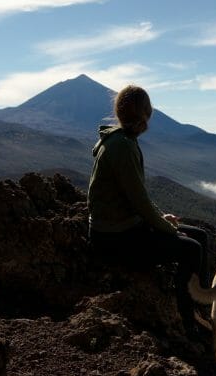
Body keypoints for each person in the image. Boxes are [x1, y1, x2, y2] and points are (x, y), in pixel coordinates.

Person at [87, 84, 209, 339]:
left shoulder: (117, 139)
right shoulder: (122, 146)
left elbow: (135, 197)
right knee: (192, 249)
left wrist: (162, 219)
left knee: (200, 236)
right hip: (115, 239)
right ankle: (188, 321)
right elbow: (139, 202)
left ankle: (201, 308)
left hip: (117, 228)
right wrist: (166, 227)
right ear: (146, 114)